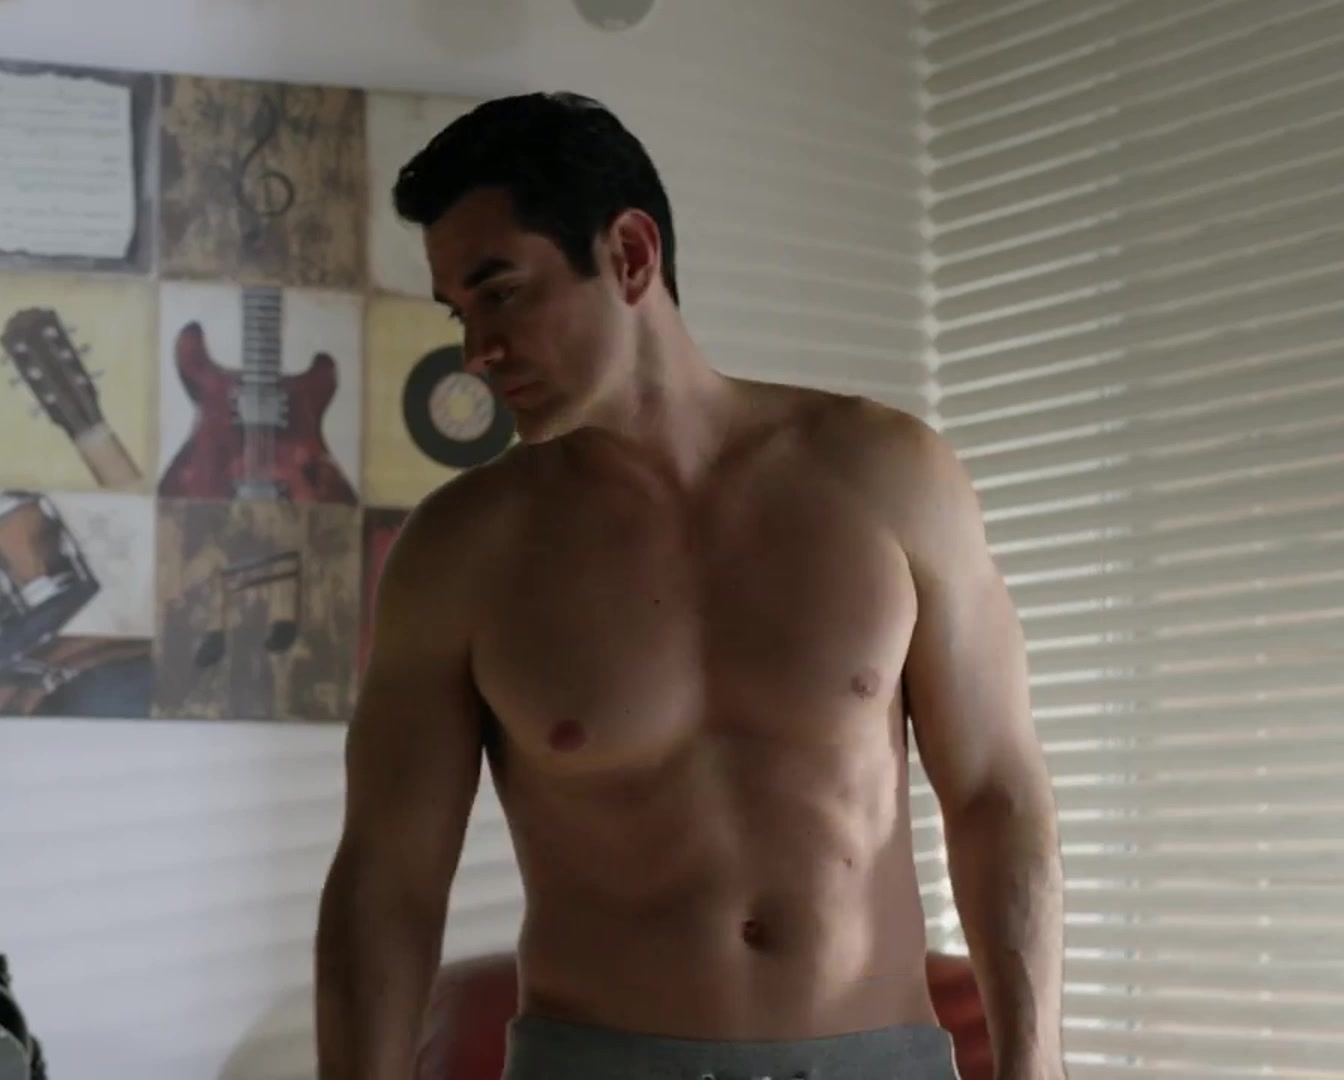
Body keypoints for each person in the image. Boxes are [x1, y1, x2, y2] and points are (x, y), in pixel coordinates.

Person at [313, 92, 1068, 1080]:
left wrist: (1035, 1066)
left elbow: (996, 795)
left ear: (631, 254)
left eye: (500, 293)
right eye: (461, 311)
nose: (475, 352)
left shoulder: (887, 476)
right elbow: (388, 881)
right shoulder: (462, 551)